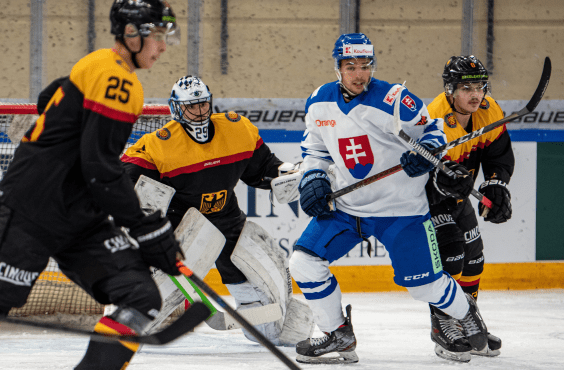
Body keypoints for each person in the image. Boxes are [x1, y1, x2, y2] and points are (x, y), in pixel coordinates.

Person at [0, 1, 184, 369]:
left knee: (140, 295)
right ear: (132, 35)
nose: (163, 47)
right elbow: (100, 166)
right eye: (158, 36)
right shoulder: (117, 79)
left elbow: (48, 102)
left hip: (80, 218)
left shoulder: (96, 64)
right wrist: (145, 226)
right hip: (31, 211)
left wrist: (143, 224)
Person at [288, 33, 491, 364]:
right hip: (347, 209)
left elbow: (433, 133)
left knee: (424, 288)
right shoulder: (319, 100)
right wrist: (313, 176)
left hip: (402, 210)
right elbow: (316, 150)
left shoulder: (396, 99)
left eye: (365, 66)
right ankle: (336, 332)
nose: (358, 74)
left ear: (373, 66)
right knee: (304, 262)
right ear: (337, 67)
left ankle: (465, 311)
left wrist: (425, 154)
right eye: (349, 66)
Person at [121, 75, 313, 345]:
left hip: (228, 221)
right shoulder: (159, 144)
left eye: (203, 104)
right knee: (146, 309)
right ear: (176, 108)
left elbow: (264, 169)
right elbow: (129, 181)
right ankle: (126, 322)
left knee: (269, 329)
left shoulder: (236, 129)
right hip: (180, 227)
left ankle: (261, 318)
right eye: (191, 106)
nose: (199, 112)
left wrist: (286, 175)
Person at [425, 55, 514, 359]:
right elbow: (418, 177)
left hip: (460, 199)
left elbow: (498, 155)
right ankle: (443, 325)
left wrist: (495, 184)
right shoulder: (434, 118)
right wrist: (441, 181)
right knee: (451, 253)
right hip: (428, 201)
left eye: (480, 86)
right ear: (450, 89)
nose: (476, 94)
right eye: (467, 88)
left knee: (474, 257)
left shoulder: (489, 111)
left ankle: (468, 320)